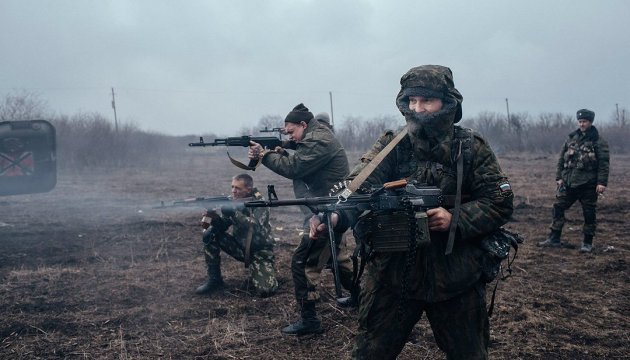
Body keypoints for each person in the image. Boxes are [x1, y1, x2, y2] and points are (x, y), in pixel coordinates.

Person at [310, 65, 514, 359]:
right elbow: (358, 187)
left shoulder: (470, 147)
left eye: (426, 101)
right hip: (393, 273)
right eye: (411, 101)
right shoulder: (392, 144)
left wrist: (454, 218)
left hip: (455, 276)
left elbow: (500, 201)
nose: (417, 109)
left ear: (447, 102)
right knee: (370, 353)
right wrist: (335, 216)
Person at [248, 103, 357, 336]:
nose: (289, 137)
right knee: (338, 259)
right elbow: (302, 161)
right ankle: (362, 297)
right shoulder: (316, 136)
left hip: (328, 210)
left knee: (302, 261)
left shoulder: (319, 139)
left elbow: (296, 167)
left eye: (291, 132)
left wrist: (264, 155)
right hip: (329, 207)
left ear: (303, 125)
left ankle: (310, 320)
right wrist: (280, 150)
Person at [195, 173, 278, 297]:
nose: (233, 191)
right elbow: (222, 226)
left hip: (260, 252)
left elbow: (255, 226)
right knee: (210, 234)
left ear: (248, 189)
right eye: (232, 187)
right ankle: (215, 280)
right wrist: (213, 217)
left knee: (266, 291)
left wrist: (234, 213)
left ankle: (260, 271)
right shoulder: (233, 201)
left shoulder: (260, 203)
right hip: (240, 248)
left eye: (237, 188)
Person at [538, 109, 609, 253]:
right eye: (580, 121)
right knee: (558, 207)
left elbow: (604, 164)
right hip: (569, 183)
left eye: (585, 122)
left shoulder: (598, 141)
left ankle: (587, 243)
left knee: (589, 213)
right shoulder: (571, 138)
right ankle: (554, 238)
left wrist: (601, 183)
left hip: (588, 184)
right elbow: (561, 160)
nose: (582, 124)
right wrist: (559, 178)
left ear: (590, 122)